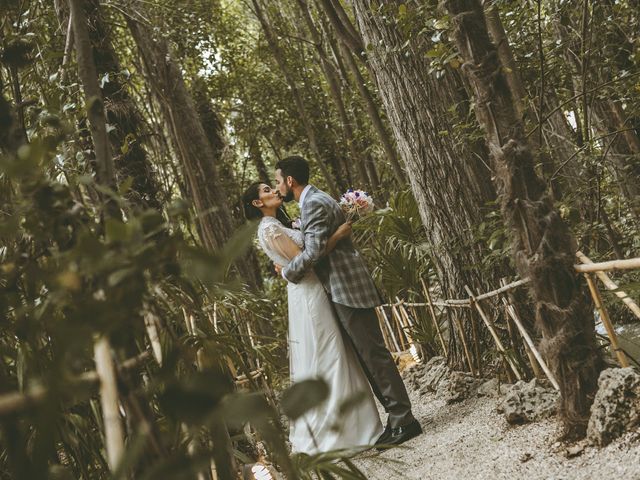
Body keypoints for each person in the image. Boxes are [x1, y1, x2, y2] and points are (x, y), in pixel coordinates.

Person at [273, 155, 422, 448]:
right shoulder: (311, 200)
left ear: (290, 181)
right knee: (368, 356)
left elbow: (314, 252)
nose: (278, 186)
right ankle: (396, 419)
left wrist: (287, 272)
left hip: (346, 287)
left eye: (278, 181)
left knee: (374, 354)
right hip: (340, 288)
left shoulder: (314, 202)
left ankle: (405, 419)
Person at [242, 181, 383, 454]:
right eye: (266, 190)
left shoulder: (278, 225)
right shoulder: (269, 228)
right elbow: (306, 258)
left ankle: (357, 424)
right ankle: (343, 433)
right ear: (257, 204)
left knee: (335, 351)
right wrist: (338, 235)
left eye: (273, 186)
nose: (273, 190)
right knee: (328, 353)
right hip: (309, 294)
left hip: (313, 290)